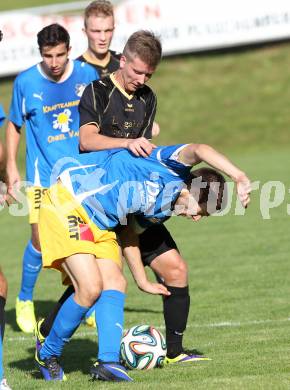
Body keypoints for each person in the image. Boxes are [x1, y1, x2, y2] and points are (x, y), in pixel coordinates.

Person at [34, 141, 251, 382]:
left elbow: (128, 233)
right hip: (70, 201)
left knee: (116, 283)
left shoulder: (162, 211)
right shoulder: (171, 166)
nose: (196, 218)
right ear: (190, 192)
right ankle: (48, 354)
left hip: (102, 223)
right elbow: (200, 149)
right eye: (199, 211)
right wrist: (238, 176)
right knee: (90, 287)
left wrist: (142, 280)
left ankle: (108, 363)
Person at [5, 23, 99, 334]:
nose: (54, 62)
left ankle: (84, 300)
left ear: (69, 50)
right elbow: (14, 125)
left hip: (81, 177)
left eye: (60, 55)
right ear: (40, 54)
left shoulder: (86, 75)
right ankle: (24, 299)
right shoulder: (26, 81)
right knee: (39, 240)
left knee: (85, 240)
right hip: (42, 177)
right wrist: (12, 169)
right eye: (48, 56)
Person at [77, 0, 120, 79]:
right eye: (96, 31)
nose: (103, 38)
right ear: (85, 32)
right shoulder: (75, 70)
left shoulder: (125, 63)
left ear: (113, 30)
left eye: (108, 31)